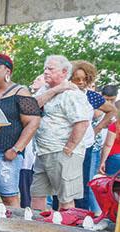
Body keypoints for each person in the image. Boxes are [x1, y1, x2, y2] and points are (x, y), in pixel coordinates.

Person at [0, 54, 41, 208]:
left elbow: (33, 121)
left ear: (7, 71)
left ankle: (13, 229)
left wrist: (16, 149)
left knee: (9, 197)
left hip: (5, 154)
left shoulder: (20, 92)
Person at [31, 55, 92, 211]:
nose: (45, 72)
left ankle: (63, 231)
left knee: (65, 198)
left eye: (50, 69)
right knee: (37, 194)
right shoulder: (45, 89)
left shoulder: (72, 94)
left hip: (62, 151)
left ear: (64, 72)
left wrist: (69, 148)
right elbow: (31, 107)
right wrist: (57, 89)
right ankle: (37, 231)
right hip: (43, 151)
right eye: (45, 68)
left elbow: (82, 122)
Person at [70, 61, 117, 213]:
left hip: (85, 144)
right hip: (64, 143)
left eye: (85, 79)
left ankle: (82, 215)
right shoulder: (64, 94)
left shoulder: (91, 96)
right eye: (77, 79)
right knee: (62, 184)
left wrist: (97, 128)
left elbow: (111, 110)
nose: (81, 82)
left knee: (82, 182)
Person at [99, 102, 120, 176]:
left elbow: (108, 145)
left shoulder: (116, 125)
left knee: (111, 183)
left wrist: (102, 161)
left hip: (115, 157)